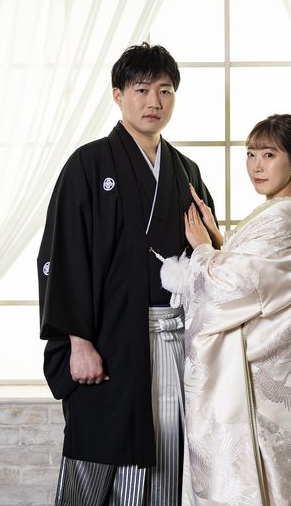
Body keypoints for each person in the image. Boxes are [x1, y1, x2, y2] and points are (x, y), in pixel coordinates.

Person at [37, 43, 217, 506]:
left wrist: (213, 241)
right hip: (107, 340)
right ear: (118, 95)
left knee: (166, 451)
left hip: (173, 342)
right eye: (141, 90)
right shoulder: (88, 164)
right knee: (97, 454)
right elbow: (63, 255)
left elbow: (208, 259)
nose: (154, 101)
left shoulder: (187, 171)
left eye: (165, 91)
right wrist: (78, 343)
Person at [160, 113, 291, 505]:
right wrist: (221, 242)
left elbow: (227, 291)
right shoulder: (282, 220)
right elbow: (258, 283)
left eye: (269, 155)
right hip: (273, 393)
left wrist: (203, 250)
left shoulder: (280, 223)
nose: (256, 165)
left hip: (255, 391)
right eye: (250, 154)